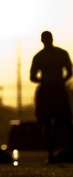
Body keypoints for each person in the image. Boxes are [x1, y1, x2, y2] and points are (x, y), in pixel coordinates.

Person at [30, 31, 73, 163]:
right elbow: (32, 77)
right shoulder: (55, 54)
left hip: (54, 91)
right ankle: (51, 154)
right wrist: (56, 81)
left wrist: (51, 81)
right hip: (50, 91)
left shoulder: (42, 56)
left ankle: (65, 152)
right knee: (48, 123)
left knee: (64, 123)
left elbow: (33, 77)